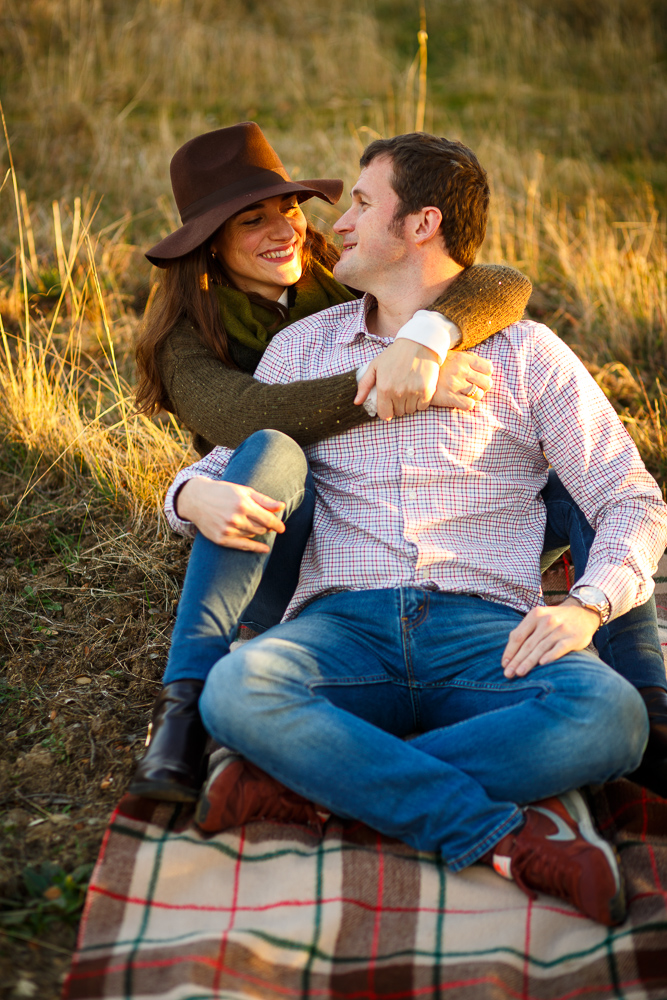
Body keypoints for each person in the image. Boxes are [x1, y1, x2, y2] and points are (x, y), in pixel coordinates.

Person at [171, 133, 667, 926]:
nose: (330, 223)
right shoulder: (304, 347)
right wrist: (185, 495)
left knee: (612, 717)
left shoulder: (527, 353)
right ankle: (502, 838)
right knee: (237, 687)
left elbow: (628, 496)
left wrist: (587, 605)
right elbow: (222, 465)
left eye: (361, 204)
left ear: (420, 224)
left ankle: (311, 788)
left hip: (486, 635)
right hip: (344, 629)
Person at [129, 123, 533, 801]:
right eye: (251, 220)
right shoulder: (183, 338)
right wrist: (390, 383)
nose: (282, 229)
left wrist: (423, 341)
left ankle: (645, 693)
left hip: (380, 515)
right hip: (268, 526)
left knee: (594, 481)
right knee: (273, 451)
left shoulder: (347, 284)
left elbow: (502, 282)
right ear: (210, 243)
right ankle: (184, 708)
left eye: (286, 208)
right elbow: (244, 421)